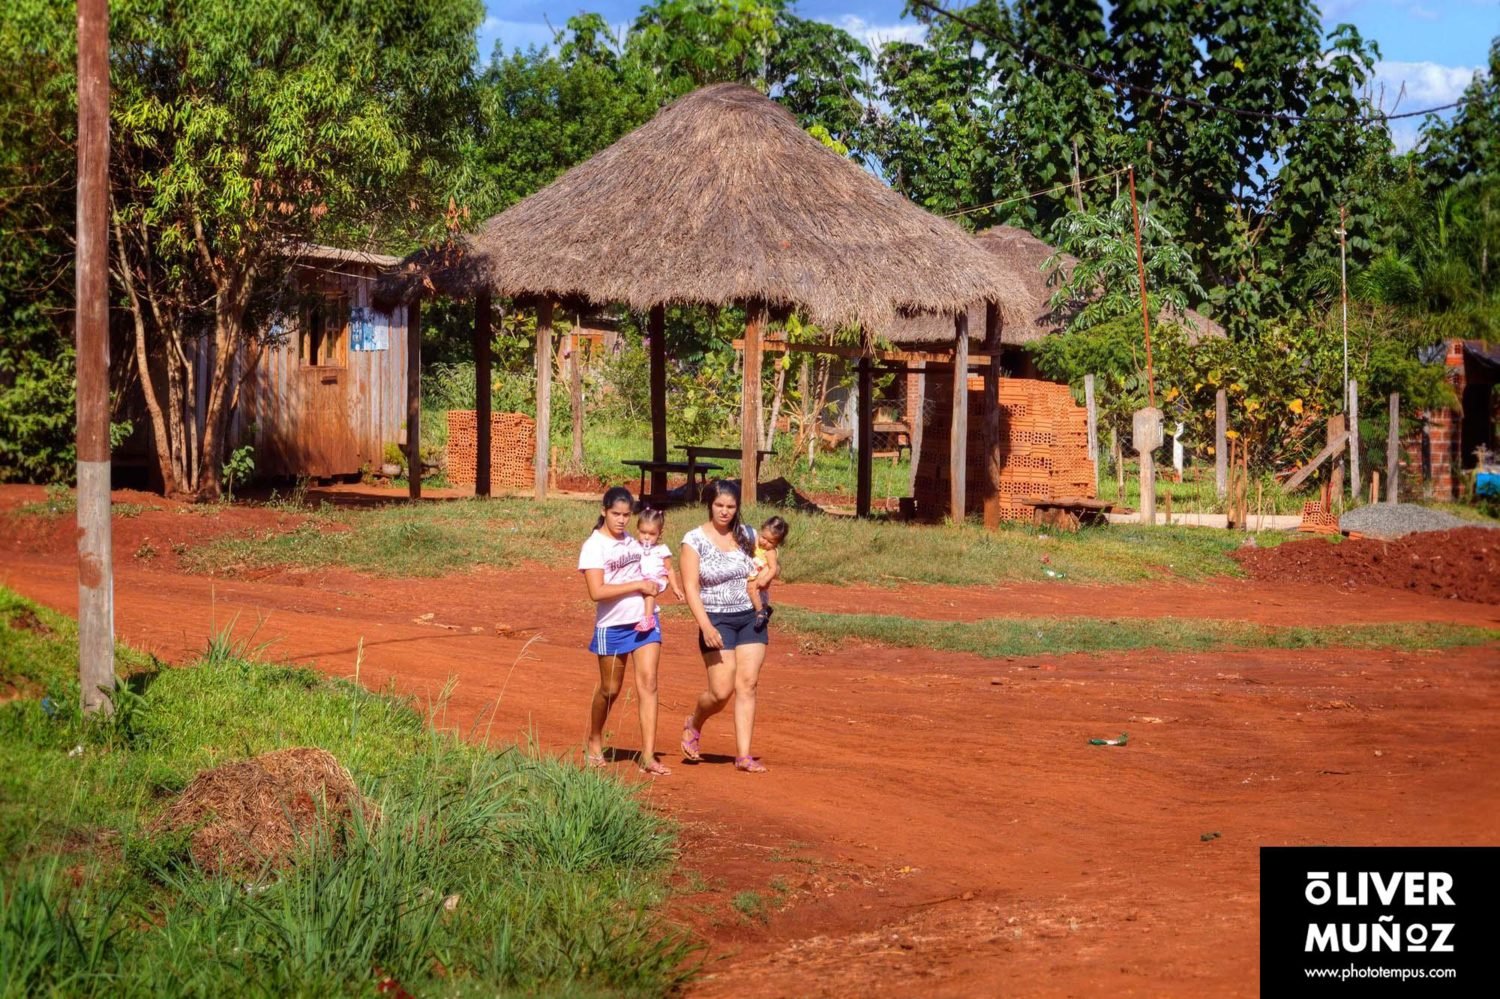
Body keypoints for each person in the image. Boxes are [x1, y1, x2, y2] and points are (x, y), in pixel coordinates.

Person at [679, 479, 772, 773]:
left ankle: (743, 756)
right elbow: (691, 587)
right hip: (716, 619)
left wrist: (769, 575)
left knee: (748, 684)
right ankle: (694, 722)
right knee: (720, 691)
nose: (724, 511)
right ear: (709, 504)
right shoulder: (693, 540)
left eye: (731, 506)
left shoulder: (749, 535)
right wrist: (705, 626)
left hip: (751, 617)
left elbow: (771, 561)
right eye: (719, 505)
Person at [578, 486, 671, 775]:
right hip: (612, 626)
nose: (621, 520)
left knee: (649, 684)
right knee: (610, 689)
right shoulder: (594, 546)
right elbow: (596, 592)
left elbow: (655, 569)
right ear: (604, 511)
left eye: (626, 515)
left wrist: (659, 583)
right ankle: (595, 738)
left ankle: (648, 756)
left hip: (645, 621)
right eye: (616, 514)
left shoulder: (634, 541)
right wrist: (638, 585)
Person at [635, 507, 684, 632]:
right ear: (637, 530)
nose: (647, 537)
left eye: (652, 534)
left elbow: (670, 569)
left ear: (660, 533)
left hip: (656, 579)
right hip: (638, 578)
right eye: (643, 532)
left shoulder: (662, 549)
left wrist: (675, 588)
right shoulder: (633, 546)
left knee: (649, 590)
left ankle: (648, 618)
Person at [746, 515, 788, 629]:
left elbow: (773, 568)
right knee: (751, 593)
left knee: (752, 590)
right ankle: (765, 609)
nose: (765, 542)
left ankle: (760, 613)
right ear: (761, 531)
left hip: (760, 576)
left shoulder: (770, 552)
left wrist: (765, 579)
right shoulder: (756, 542)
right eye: (763, 537)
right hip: (753, 573)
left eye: (770, 541)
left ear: (777, 543)